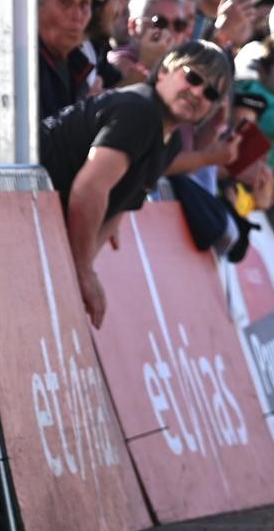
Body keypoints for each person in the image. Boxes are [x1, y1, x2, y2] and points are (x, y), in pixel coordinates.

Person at [40, 41, 232, 327]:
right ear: (164, 71)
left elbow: (118, 209)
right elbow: (89, 189)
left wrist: (79, 271)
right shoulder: (139, 111)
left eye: (210, 92)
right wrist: (81, 273)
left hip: (42, 232)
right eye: (192, 77)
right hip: (14, 220)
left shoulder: (171, 140)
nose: (197, 92)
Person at [36, 0, 103, 118]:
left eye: (84, 4)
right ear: (36, 6)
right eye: (65, 3)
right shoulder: (26, 66)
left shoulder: (79, 64)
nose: (77, 16)